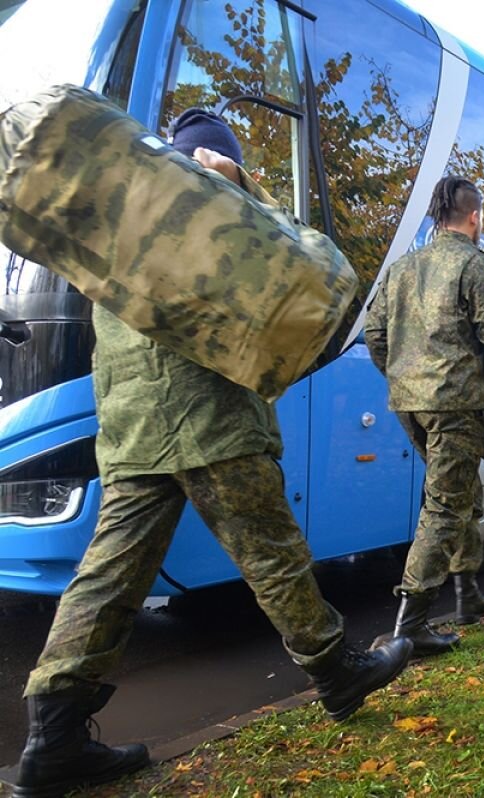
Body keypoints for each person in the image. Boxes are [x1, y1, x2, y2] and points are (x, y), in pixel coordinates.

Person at [13, 109, 412, 798]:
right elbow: (295, 264)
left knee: (109, 576)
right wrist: (238, 181)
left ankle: (53, 737)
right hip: (208, 414)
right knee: (272, 551)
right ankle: (337, 672)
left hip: (134, 424)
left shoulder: (122, 220)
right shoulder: (205, 207)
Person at [364, 176, 484, 658]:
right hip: (454, 401)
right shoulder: (475, 262)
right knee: (446, 505)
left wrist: (403, 373)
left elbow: (374, 333)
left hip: (408, 400)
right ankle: (410, 625)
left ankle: (467, 594)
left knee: (460, 491)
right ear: (474, 218)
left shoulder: (402, 266)